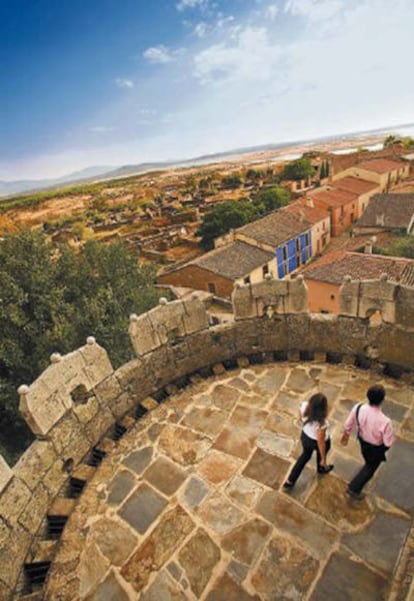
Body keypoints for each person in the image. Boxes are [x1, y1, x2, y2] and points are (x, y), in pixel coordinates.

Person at [341, 384, 394, 500]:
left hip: (363, 442)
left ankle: (366, 466)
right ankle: (354, 488)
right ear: (382, 400)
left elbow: (348, 425)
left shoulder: (358, 408)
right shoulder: (385, 422)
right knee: (370, 468)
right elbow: (388, 443)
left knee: (367, 460)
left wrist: (345, 436)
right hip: (376, 448)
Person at [284, 393, 334, 489]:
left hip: (306, 438)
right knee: (320, 456)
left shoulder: (304, 406)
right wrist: (323, 459)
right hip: (316, 442)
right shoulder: (322, 422)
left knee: (304, 457)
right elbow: (321, 442)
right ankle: (321, 468)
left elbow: (300, 415)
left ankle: (290, 481)